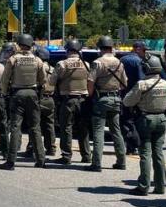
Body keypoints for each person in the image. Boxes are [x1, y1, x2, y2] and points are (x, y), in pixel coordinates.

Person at [122, 55, 166, 195]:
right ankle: (161, 186)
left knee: (145, 153)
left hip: (145, 119)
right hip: (161, 119)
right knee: (159, 153)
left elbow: (127, 102)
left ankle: (144, 185)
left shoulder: (142, 84)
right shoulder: (165, 83)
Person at [0, 33, 46, 169]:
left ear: (19, 45)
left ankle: (11, 161)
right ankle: (41, 160)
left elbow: (4, 80)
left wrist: (4, 93)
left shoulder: (13, 59)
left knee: (15, 127)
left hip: (17, 94)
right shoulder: (38, 60)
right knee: (35, 127)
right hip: (33, 94)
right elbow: (43, 81)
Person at [87, 35, 128, 172]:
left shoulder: (97, 62)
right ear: (111, 47)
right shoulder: (119, 63)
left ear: (100, 48)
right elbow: (124, 84)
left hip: (101, 99)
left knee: (98, 131)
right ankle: (121, 161)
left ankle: (96, 163)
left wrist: (91, 95)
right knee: (116, 131)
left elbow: (91, 82)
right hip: (116, 99)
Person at [53, 39, 92, 165]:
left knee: (66, 128)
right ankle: (86, 155)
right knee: (83, 128)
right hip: (84, 100)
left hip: (68, 100)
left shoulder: (62, 64)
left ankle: (66, 156)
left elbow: (51, 81)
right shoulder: (86, 64)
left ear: (68, 50)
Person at [120, 40, 148, 154]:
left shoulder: (122, 60)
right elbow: (142, 79)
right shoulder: (139, 61)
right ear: (137, 49)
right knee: (137, 120)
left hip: (125, 94)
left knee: (126, 120)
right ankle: (137, 144)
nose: (145, 53)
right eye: (144, 50)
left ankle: (131, 145)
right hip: (138, 95)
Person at [35, 45, 57, 157]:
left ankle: (33, 148)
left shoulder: (37, 68)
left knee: (35, 125)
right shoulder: (53, 69)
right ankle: (51, 148)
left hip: (39, 98)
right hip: (50, 99)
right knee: (49, 125)